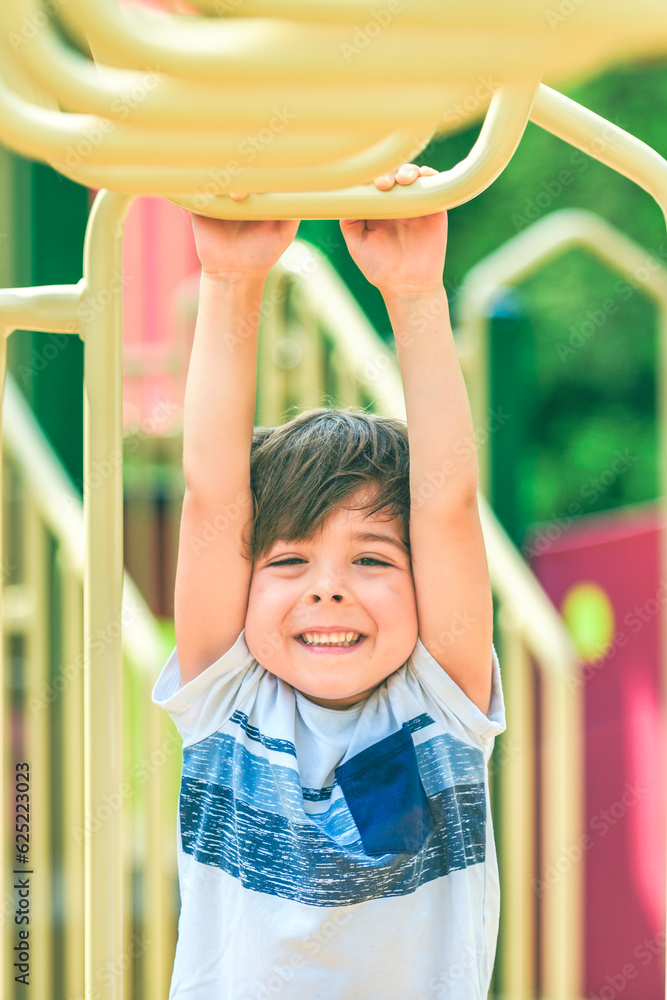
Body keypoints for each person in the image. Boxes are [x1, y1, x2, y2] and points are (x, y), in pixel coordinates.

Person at [152, 162, 506, 1000]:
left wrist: (416, 292)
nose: (328, 589)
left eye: (372, 559)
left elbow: (448, 503)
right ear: (245, 581)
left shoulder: (438, 703)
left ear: (423, 584)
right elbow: (211, 491)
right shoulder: (225, 696)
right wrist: (231, 281)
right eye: (288, 561)